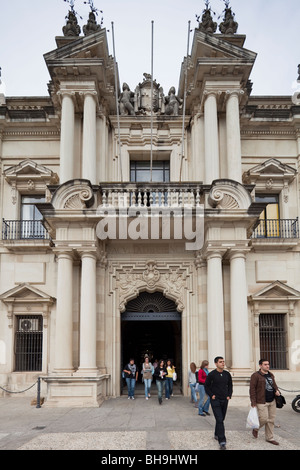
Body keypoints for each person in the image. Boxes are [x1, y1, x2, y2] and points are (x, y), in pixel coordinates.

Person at [249, 358, 281, 445]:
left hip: (272, 400)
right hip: (261, 401)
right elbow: (252, 389)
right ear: (260, 365)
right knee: (264, 418)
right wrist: (253, 402)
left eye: (268, 364)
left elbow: (274, 385)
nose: (267, 366)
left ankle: (270, 438)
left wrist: (277, 391)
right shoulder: (255, 375)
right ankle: (256, 429)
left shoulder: (270, 374)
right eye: (265, 364)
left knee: (271, 420)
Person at [204, 356, 233, 450]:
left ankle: (217, 433)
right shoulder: (212, 374)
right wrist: (211, 395)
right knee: (220, 419)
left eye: (223, 362)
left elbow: (230, 385)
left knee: (221, 418)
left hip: (225, 399)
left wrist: (229, 395)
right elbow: (206, 386)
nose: (223, 363)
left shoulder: (227, 374)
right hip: (215, 400)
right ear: (216, 363)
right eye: (220, 362)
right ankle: (222, 441)